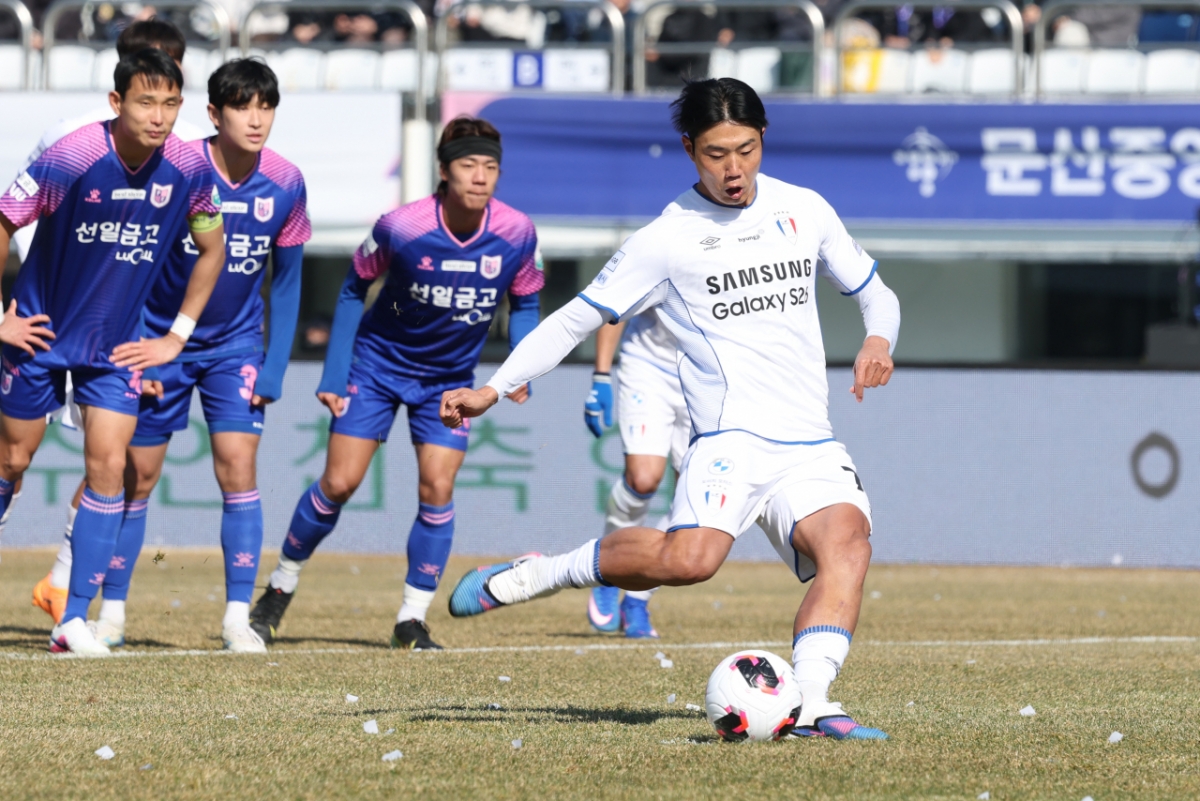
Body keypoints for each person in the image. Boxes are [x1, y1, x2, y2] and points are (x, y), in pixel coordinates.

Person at [442, 78, 900, 740]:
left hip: (810, 442)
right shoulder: (666, 238)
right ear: (689, 150)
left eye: (746, 149)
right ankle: (544, 571)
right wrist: (493, 386)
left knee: (848, 546)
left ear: (763, 138)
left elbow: (876, 293)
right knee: (691, 562)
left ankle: (813, 702)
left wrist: (878, 339)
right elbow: (574, 319)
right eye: (716, 153)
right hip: (730, 440)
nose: (734, 168)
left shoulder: (805, 209)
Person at [33, 58, 309, 653]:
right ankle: (111, 614)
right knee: (134, 476)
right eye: (242, 106)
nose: (256, 119)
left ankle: (237, 619)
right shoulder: (179, 165)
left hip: (235, 346)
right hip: (152, 343)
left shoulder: (287, 181)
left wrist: (274, 366)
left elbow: (287, 280)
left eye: (266, 107)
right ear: (213, 113)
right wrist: (148, 344)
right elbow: (125, 262)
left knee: (239, 467)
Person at [248, 116, 543, 651]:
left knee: (438, 488)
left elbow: (525, 303)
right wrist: (335, 373)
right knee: (339, 483)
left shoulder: (518, 232)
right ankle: (280, 586)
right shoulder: (401, 227)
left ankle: (411, 619)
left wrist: (520, 368)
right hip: (377, 368)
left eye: (490, 167)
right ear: (444, 171)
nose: (480, 176)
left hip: (448, 382)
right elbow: (351, 290)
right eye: (468, 165)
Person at [0, 48, 225, 656]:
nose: (159, 116)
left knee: (109, 469)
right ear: (116, 102)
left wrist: (175, 336)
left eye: (170, 104)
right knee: (12, 461)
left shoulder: (190, 168)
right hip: (40, 336)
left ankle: (73, 619)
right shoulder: (70, 156)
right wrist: (1, 319)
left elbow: (213, 250)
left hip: (116, 349)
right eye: (146, 102)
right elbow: (2, 223)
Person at [582, 311, 689, 639]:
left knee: (691, 502)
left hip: (710, 375)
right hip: (649, 365)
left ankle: (637, 599)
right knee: (643, 479)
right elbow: (613, 304)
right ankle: (609, 567)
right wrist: (601, 376)